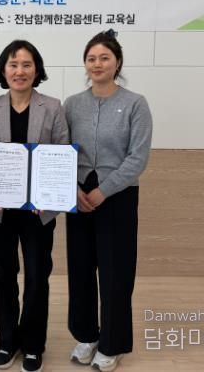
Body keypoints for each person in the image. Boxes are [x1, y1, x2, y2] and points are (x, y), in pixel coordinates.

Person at [63, 29, 152, 371]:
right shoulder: (72, 104)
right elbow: (62, 150)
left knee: (116, 272)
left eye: (104, 58)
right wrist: (73, 188)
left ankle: (112, 343)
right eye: (91, 58)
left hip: (118, 197)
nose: (97, 64)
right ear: (84, 64)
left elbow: (138, 157)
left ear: (117, 62)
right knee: (80, 268)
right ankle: (86, 336)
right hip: (78, 195)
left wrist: (104, 190)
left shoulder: (135, 103)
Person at [0, 40, 69, 372]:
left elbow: (62, 155)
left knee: (36, 276)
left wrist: (48, 195)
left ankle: (33, 344)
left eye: (27, 64)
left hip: (38, 212)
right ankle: (7, 341)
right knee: (3, 275)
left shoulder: (53, 107)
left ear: (36, 69)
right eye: (13, 64)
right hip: (1, 210)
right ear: (3, 70)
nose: (20, 71)